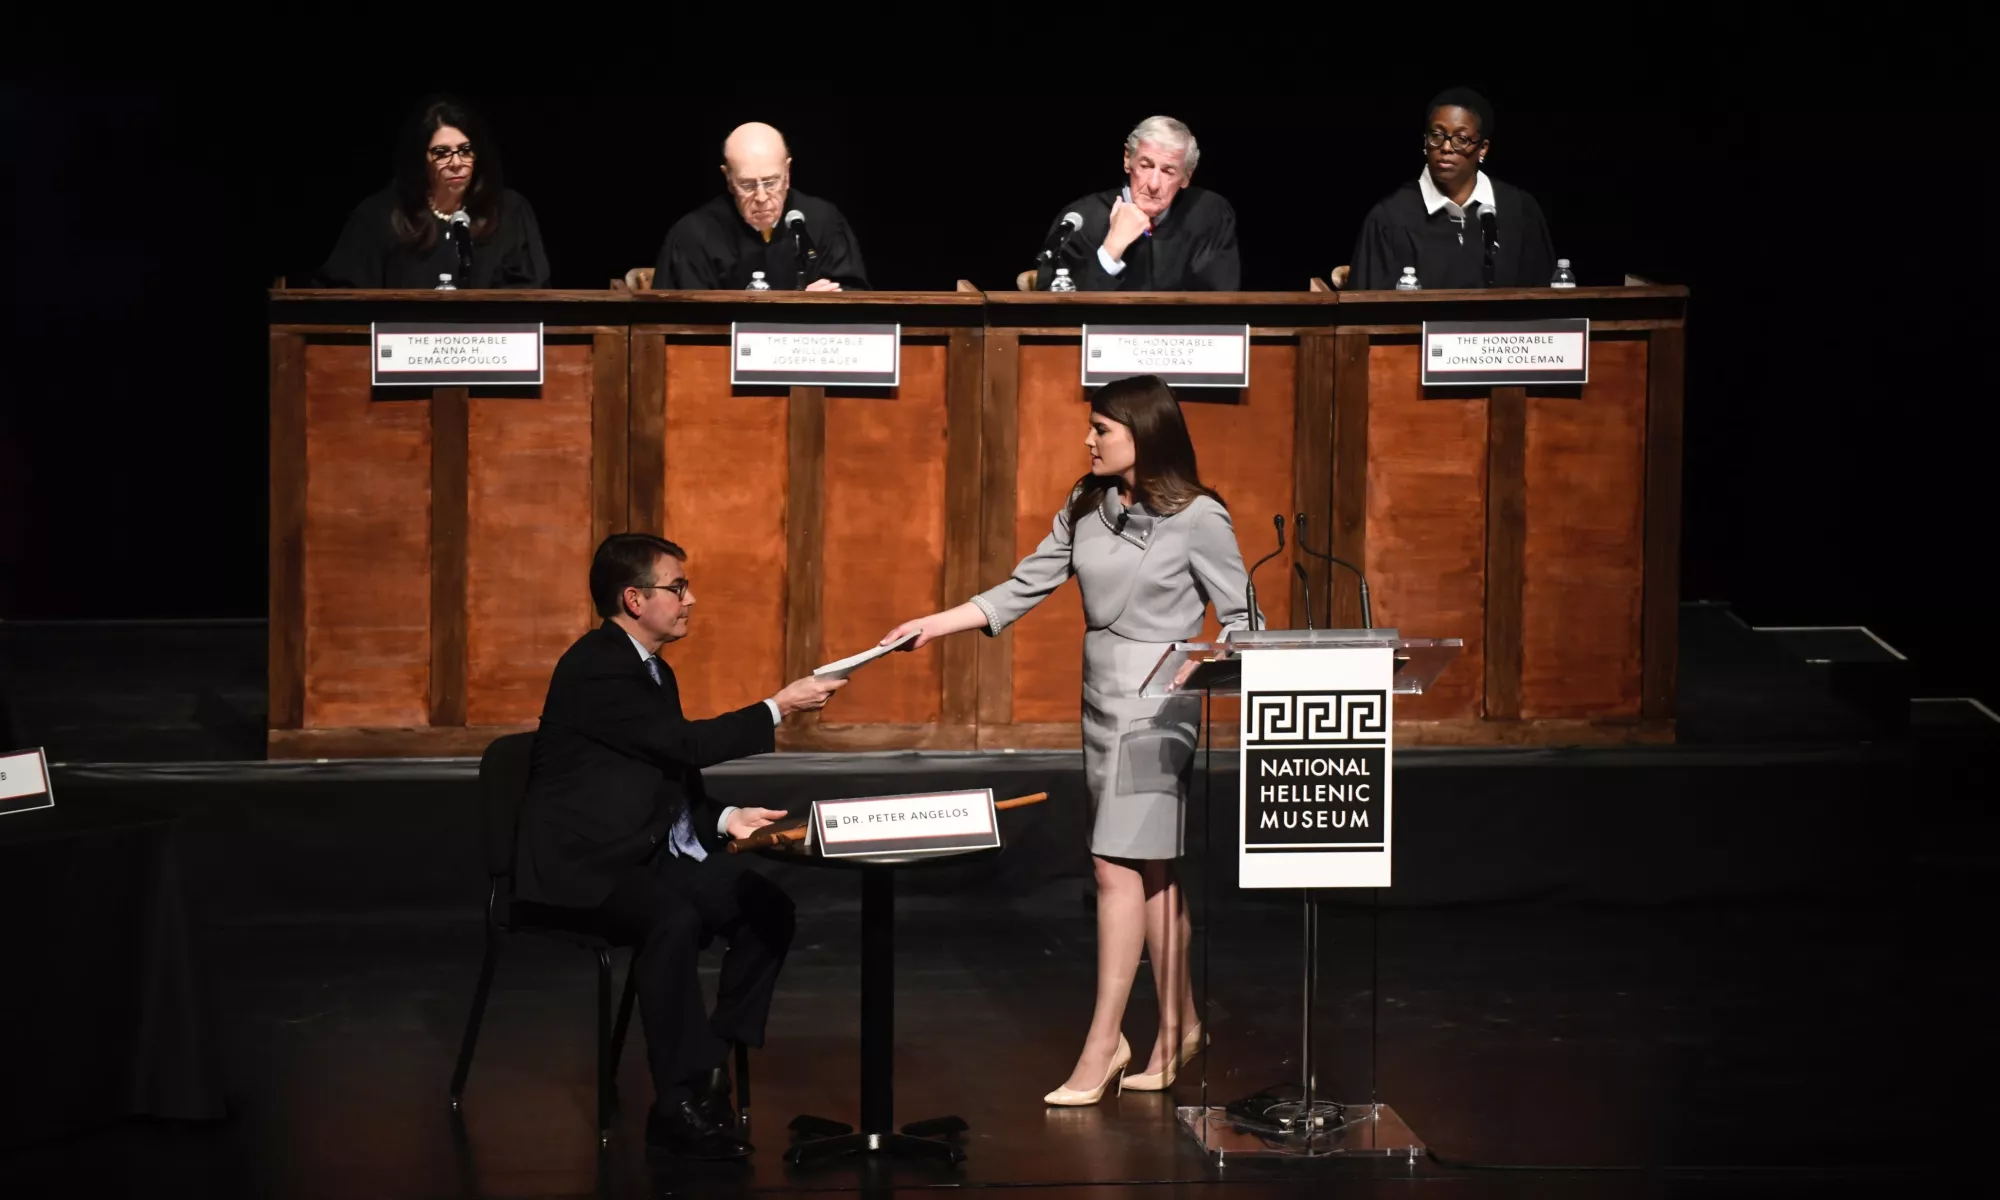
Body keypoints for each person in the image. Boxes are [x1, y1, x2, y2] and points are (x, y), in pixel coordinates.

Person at [880, 375, 1257, 1105]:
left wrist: (1199, 661)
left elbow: (1245, 617)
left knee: (1114, 868)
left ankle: (1103, 1042)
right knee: (1153, 875)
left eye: (1102, 430)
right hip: (1098, 704)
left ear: (1144, 437)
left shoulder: (1200, 516)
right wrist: (934, 624)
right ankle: (1179, 1026)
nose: (1089, 441)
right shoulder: (1086, 504)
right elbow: (1019, 588)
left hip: (1160, 709)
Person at [514, 533, 846, 1159]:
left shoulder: (653, 670)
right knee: (672, 918)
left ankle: (707, 1068)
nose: (690, 599)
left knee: (765, 908)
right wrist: (779, 706)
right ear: (634, 598)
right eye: (678, 587)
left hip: (642, 852)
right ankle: (678, 1101)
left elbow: (670, 779)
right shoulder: (598, 665)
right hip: (586, 863)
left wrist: (725, 819)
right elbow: (688, 746)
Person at [318, 96, 549, 289]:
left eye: (466, 150)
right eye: (441, 153)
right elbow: (342, 296)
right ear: (421, 158)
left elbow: (532, 295)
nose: (456, 162)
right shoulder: (379, 216)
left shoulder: (509, 212)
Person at [1347, 87, 1556, 291]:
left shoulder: (1518, 211)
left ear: (1482, 148)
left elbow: (1547, 303)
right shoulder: (1390, 218)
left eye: (1461, 139)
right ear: (1425, 142)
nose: (1446, 148)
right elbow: (1366, 316)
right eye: (1436, 135)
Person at [1032, 116, 1240, 292]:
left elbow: (1221, 305)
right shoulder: (1081, 220)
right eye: (1146, 166)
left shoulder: (1209, 215)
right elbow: (1061, 315)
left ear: (1187, 176)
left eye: (1168, 171)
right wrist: (1111, 249)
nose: (1153, 184)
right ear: (1127, 160)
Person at [653, 122, 869, 291]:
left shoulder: (824, 222)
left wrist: (831, 300)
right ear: (728, 179)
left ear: (787, 173)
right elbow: (679, 318)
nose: (762, 197)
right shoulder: (693, 236)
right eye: (747, 185)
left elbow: (855, 294)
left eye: (771, 182)